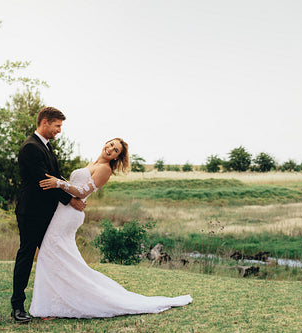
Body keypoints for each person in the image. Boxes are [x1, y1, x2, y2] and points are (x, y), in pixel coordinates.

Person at [29, 138, 192, 318]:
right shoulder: (93, 163)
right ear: (105, 143)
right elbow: (74, 187)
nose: (110, 149)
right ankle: (56, 303)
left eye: (115, 150)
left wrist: (58, 183)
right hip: (65, 209)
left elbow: (83, 191)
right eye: (111, 145)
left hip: (69, 215)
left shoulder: (105, 169)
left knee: (51, 252)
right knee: (57, 254)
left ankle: (57, 305)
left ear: (116, 157)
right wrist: (60, 183)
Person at [11, 106, 86, 323]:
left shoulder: (46, 146)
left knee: (52, 256)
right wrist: (70, 199)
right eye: (57, 126)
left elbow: (56, 177)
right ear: (45, 122)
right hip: (31, 212)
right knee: (26, 255)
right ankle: (17, 306)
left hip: (46, 212)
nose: (59, 130)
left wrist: (75, 190)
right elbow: (44, 181)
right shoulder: (30, 148)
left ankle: (52, 303)